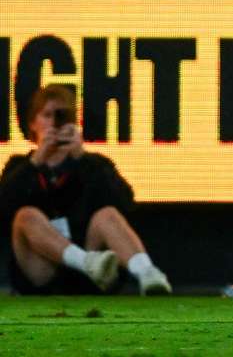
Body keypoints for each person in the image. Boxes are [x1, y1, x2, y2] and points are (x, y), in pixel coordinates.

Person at [0, 85, 171, 295]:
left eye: (63, 116)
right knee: (25, 217)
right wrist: (36, 162)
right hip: (42, 270)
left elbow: (124, 203)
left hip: (94, 268)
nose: (54, 122)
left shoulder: (94, 164)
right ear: (32, 124)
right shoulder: (20, 166)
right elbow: (4, 207)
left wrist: (82, 159)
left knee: (107, 215)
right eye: (47, 115)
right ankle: (86, 262)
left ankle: (147, 273)